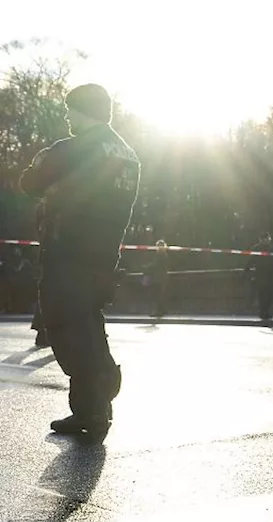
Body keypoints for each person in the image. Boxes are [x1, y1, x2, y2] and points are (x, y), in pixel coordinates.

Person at [19, 84, 138, 438]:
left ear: (84, 110)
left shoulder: (73, 149)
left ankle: (101, 391)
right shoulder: (127, 152)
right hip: (103, 256)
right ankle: (91, 408)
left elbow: (29, 182)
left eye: (71, 109)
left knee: (66, 327)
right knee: (87, 324)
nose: (67, 116)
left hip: (67, 251)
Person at [245, 233, 273, 323]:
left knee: (270, 294)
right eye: (265, 239)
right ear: (261, 239)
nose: (266, 240)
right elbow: (252, 259)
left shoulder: (272, 248)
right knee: (262, 294)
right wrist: (247, 268)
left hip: (270, 273)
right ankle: (263, 312)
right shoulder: (256, 248)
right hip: (260, 273)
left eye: (267, 239)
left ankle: (267, 311)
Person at [144, 240, 170, 318]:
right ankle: (162, 309)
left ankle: (159, 310)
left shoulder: (160, 254)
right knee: (159, 293)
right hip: (162, 276)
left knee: (156, 294)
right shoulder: (164, 254)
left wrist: (147, 267)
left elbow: (156, 264)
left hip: (158, 277)